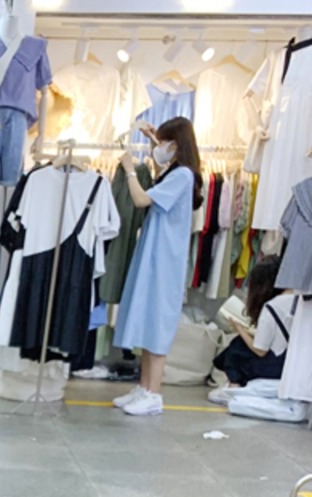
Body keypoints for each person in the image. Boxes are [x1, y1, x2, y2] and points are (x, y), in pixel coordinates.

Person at [110, 117, 205, 417]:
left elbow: (140, 199)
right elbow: (162, 168)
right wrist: (154, 139)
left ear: (175, 145)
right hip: (156, 254)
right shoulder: (176, 173)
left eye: (164, 142)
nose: (159, 147)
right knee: (150, 319)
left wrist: (129, 170)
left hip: (165, 258)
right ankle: (145, 387)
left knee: (158, 323)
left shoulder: (183, 176)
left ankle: (153, 393)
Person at [210, 258, 296, 400]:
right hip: (294, 363)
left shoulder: (271, 307)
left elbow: (260, 350)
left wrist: (239, 328)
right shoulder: (299, 299)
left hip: (276, 368)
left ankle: (234, 387)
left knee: (236, 347)